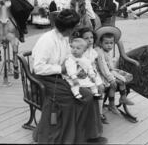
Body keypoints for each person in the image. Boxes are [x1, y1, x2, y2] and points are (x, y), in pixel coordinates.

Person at [31, 9, 106, 144]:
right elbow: (38, 67)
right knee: (73, 99)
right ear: (68, 28)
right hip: (44, 79)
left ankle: (86, 134)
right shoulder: (47, 40)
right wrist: (62, 68)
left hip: (60, 76)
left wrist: (78, 70)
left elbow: (68, 58)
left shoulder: (65, 38)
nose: (76, 28)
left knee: (89, 95)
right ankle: (67, 138)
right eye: (75, 26)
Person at [95, 26, 134, 115]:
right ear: (100, 43)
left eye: (111, 43)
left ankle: (123, 97)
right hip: (101, 74)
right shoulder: (99, 52)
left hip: (108, 71)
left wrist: (114, 72)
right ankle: (111, 104)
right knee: (115, 84)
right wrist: (111, 78)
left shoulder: (106, 51)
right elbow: (103, 68)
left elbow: (110, 66)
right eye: (106, 43)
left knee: (124, 78)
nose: (109, 45)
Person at [72, 27, 108, 124]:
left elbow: (93, 66)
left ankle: (99, 113)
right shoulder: (79, 50)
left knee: (101, 87)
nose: (90, 40)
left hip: (92, 74)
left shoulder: (92, 51)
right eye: (86, 38)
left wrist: (96, 78)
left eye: (91, 37)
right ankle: (89, 114)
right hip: (81, 75)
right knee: (89, 91)